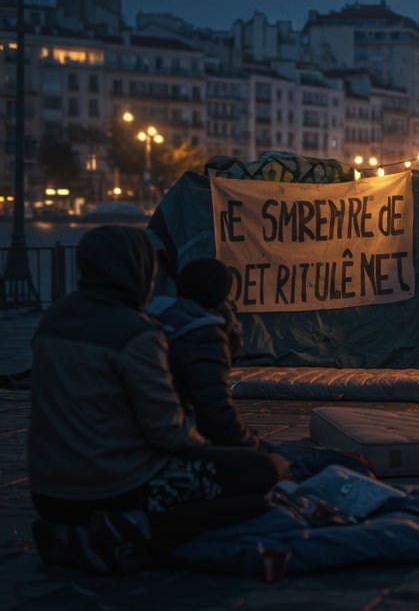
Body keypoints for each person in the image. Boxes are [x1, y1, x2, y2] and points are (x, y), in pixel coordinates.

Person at [27, 226, 281, 573]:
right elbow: (168, 434)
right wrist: (224, 450)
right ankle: (127, 533)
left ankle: (88, 531)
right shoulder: (137, 334)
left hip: (48, 493)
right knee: (261, 477)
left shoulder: (51, 321)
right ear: (139, 270)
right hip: (117, 485)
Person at [148, 257, 270, 452]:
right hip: (170, 441)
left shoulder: (161, 318)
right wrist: (256, 450)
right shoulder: (203, 334)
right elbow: (215, 414)